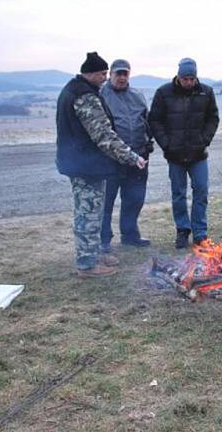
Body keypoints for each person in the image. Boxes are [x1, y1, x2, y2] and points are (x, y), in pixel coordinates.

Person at [55, 52, 146, 278]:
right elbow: (103, 135)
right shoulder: (84, 96)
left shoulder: (74, 89)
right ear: (92, 73)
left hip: (84, 162)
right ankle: (87, 265)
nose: (105, 78)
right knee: (88, 214)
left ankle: (94, 254)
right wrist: (131, 157)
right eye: (103, 74)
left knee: (94, 211)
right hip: (84, 165)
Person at [149, 58, 219, 248]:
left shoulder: (207, 92)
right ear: (178, 77)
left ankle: (200, 233)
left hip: (198, 154)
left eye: (192, 78)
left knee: (201, 191)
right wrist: (166, 144)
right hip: (175, 155)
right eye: (185, 78)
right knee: (178, 193)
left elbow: (213, 118)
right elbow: (154, 120)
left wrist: (204, 140)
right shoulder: (163, 93)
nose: (189, 82)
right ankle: (182, 230)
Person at [100, 59, 153, 252]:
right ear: (110, 75)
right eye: (118, 73)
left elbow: (147, 121)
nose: (122, 77)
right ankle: (103, 240)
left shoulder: (138, 96)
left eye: (125, 74)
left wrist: (148, 142)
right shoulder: (100, 95)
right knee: (106, 201)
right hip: (110, 159)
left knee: (134, 198)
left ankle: (130, 235)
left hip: (138, 157)